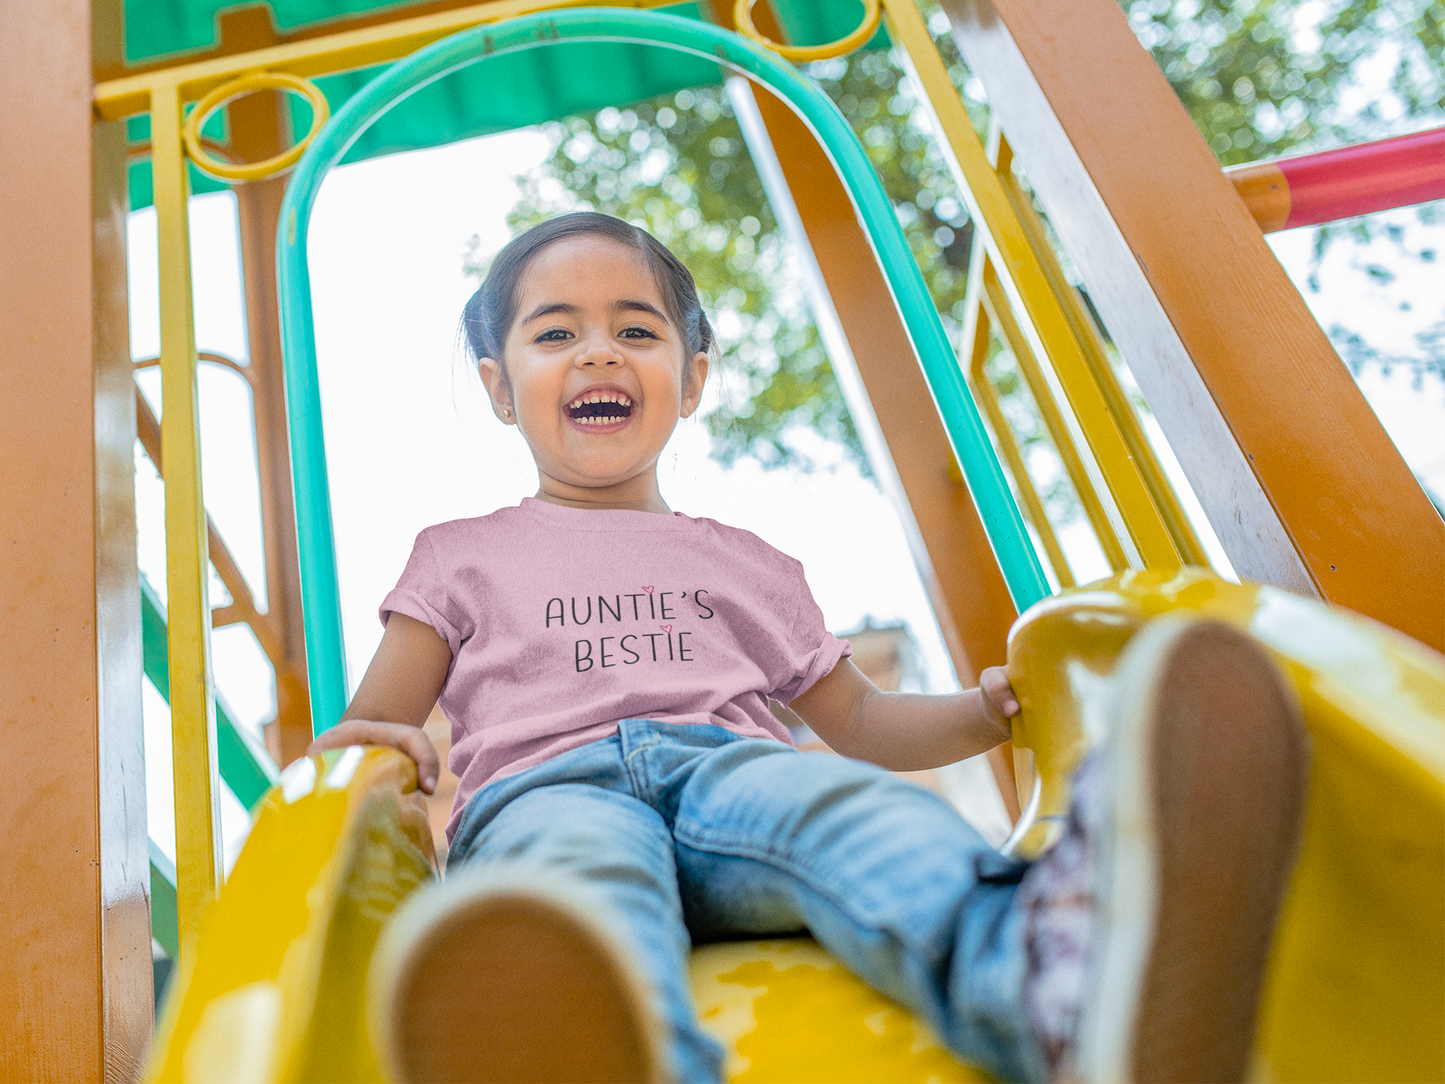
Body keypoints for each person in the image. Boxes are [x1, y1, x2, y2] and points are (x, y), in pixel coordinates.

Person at [309, 212, 1308, 1084]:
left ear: (690, 379)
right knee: (573, 883)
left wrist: (980, 710)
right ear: (499, 386)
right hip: (547, 788)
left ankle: (1055, 993)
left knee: (852, 812)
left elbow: (859, 721)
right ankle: (613, 1051)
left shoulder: (746, 563)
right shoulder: (458, 556)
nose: (598, 352)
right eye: (555, 332)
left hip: (730, 775)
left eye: (636, 329)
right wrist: (370, 760)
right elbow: (378, 723)